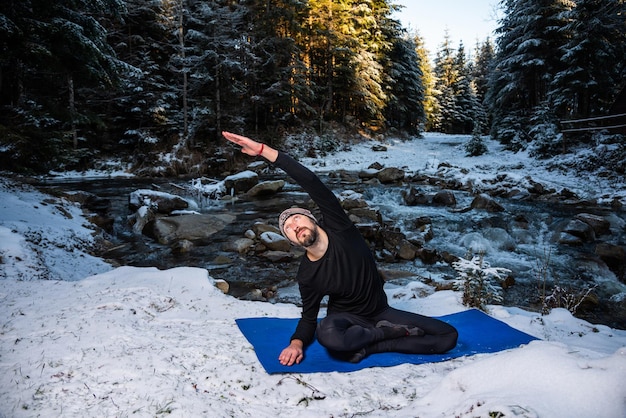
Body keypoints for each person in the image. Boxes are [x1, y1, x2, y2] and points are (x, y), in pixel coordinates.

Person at [222, 131, 458, 366]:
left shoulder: (340, 226)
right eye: (287, 230)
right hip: (346, 321)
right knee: (328, 334)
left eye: (296, 219)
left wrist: (264, 151)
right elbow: (309, 318)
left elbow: (310, 181)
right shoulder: (307, 274)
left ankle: (374, 344)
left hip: (381, 312)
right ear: (292, 242)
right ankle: (386, 334)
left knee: (448, 337)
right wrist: (296, 343)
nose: (294, 226)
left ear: (312, 220)